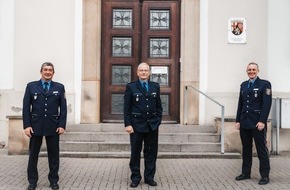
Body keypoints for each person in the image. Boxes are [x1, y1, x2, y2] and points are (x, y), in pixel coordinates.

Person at [23, 62, 67, 190]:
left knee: (54, 156)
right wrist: (27, 125)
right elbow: (26, 108)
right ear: (41, 71)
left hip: (53, 126)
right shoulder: (31, 86)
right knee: (33, 156)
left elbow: (63, 109)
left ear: (53, 72)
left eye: (50, 70)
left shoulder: (59, 87)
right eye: (45, 70)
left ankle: (53, 181)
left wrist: (62, 125)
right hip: (35, 126)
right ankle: (32, 182)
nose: (48, 72)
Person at [123, 62, 163, 188]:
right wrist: (128, 124)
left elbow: (159, 106)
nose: (144, 72)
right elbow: (126, 108)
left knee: (151, 153)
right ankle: (135, 178)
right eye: (141, 70)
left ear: (149, 73)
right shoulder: (131, 87)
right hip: (136, 126)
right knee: (135, 153)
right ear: (137, 72)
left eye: (146, 70)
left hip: (152, 126)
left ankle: (149, 178)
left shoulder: (155, 87)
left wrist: (158, 121)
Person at [235, 62, 272, 185]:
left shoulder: (265, 84)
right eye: (249, 69)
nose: (251, 71)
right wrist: (238, 120)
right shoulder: (244, 85)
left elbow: (266, 105)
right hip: (244, 122)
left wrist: (262, 121)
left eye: (253, 69)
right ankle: (246, 173)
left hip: (257, 124)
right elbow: (240, 103)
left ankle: (265, 176)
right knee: (246, 149)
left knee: (261, 150)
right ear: (247, 71)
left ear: (258, 71)